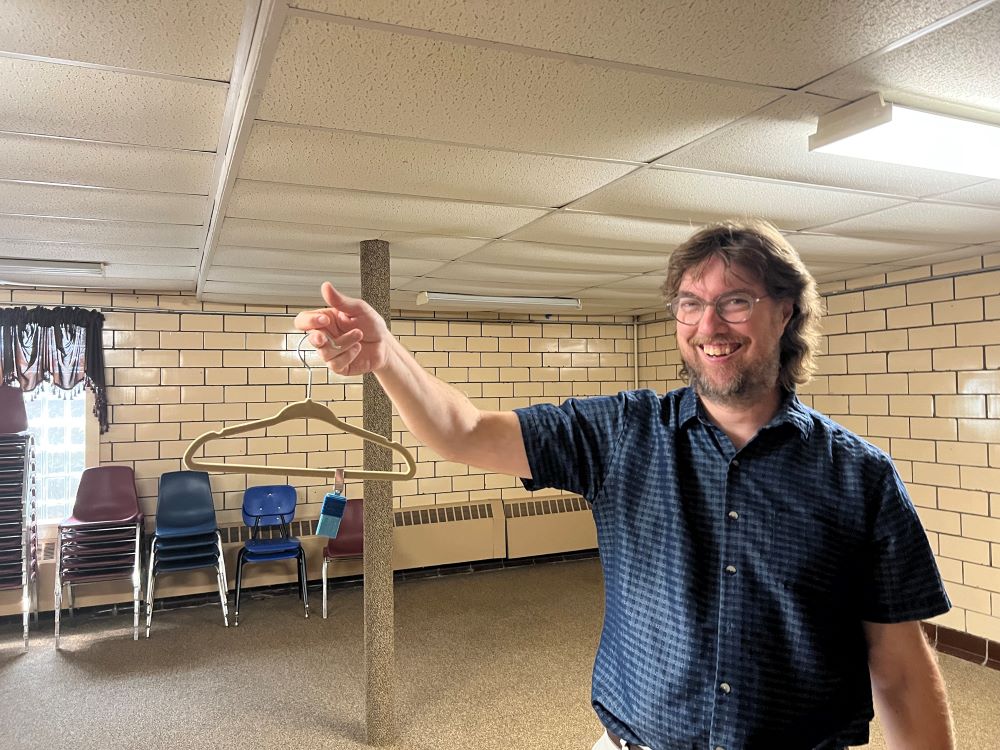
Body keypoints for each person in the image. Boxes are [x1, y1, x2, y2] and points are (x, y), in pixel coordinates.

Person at [295, 219, 953, 750]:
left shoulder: (858, 476)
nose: (708, 326)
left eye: (735, 302)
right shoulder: (623, 432)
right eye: (690, 305)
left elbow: (899, 666)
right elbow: (463, 431)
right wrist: (387, 356)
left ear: (786, 313)